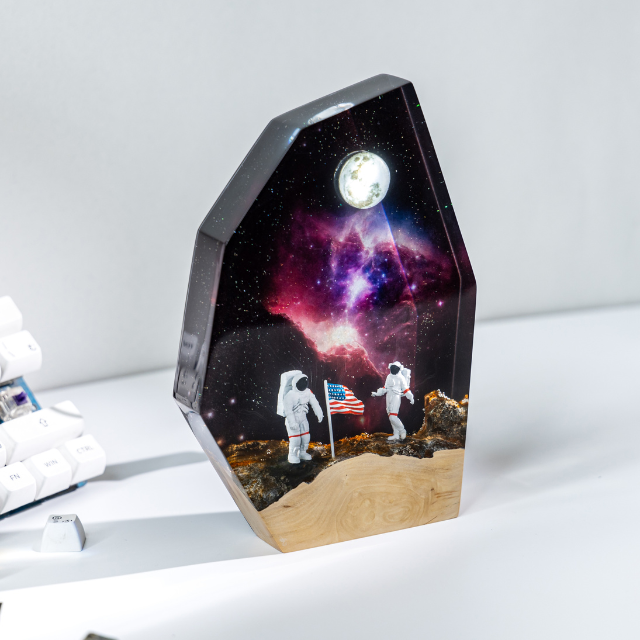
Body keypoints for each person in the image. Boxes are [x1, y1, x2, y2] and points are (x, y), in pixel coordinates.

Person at [277, 370, 324, 464]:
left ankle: (302, 452)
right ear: (296, 383)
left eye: (305, 381)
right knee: (295, 439)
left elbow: (315, 403)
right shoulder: (290, 395)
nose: (304, 383)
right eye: (301, 382)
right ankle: (292, 455)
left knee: (306, 437)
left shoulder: (308, 392)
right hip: (293, 419)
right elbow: (289, 411)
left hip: (303, 418)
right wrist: (292, 422)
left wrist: (319, 413)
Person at [371, 361, 414, 441]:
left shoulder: (401, 378)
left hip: (396, 397)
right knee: (390, 416)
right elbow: (385, 388)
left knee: (393, 417)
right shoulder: (389, 377)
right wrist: (377, 393)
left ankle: (402, 430)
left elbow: (405, 389)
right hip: (389, 396)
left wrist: (411, 397)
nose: (393, 369)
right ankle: (396, 434)